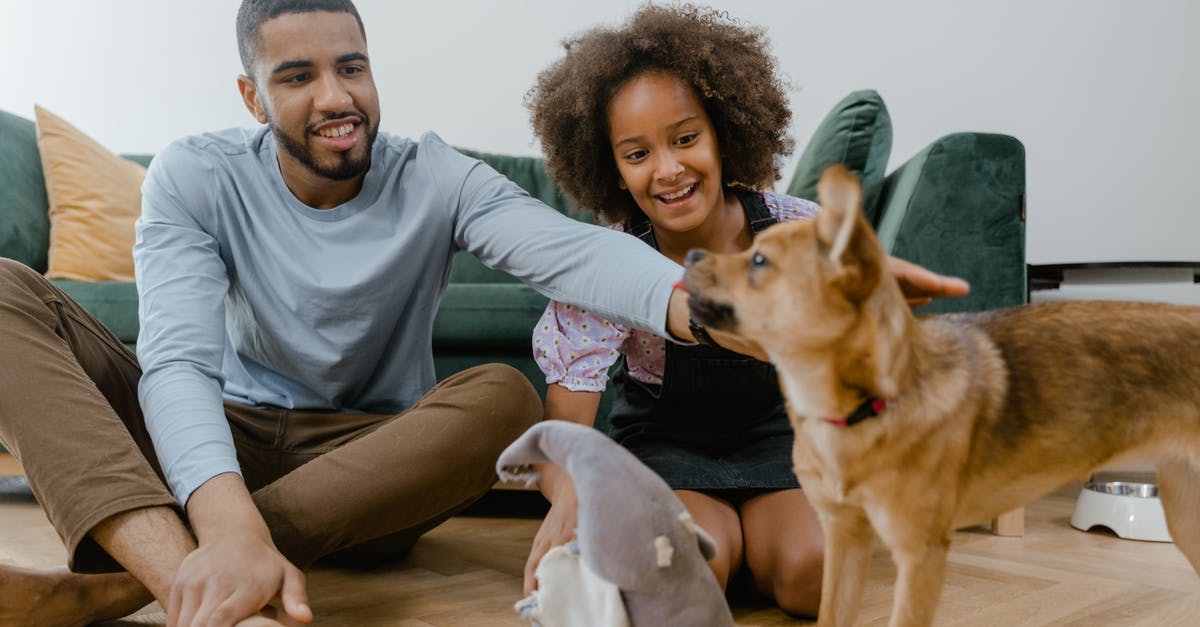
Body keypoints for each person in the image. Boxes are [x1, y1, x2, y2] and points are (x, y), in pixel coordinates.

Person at [0, 1, 966, 625]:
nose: (335, 96)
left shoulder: (437, 174)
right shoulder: (194, 174)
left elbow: (582, 253)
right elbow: (174, 364)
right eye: (298, 77)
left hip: (366, 462)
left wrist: (725, 310)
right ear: (252, 94)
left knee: (507, 397)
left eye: (352, 66)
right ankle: (189, 577)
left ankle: (132, 584)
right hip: (221, 429)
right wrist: (224, 524)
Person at [521, 5, 966, 617]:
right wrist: (570, 500)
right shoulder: (606, 266)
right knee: (689, 570)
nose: (669, 170)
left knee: (815, 575)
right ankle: (728, 551)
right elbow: (568, 429)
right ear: (613, 172)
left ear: (724, 135)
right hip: (665, 447)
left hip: (783, 441)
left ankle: (763, 546)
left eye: (685, 138)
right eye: (637, 153)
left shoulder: (798, 228)